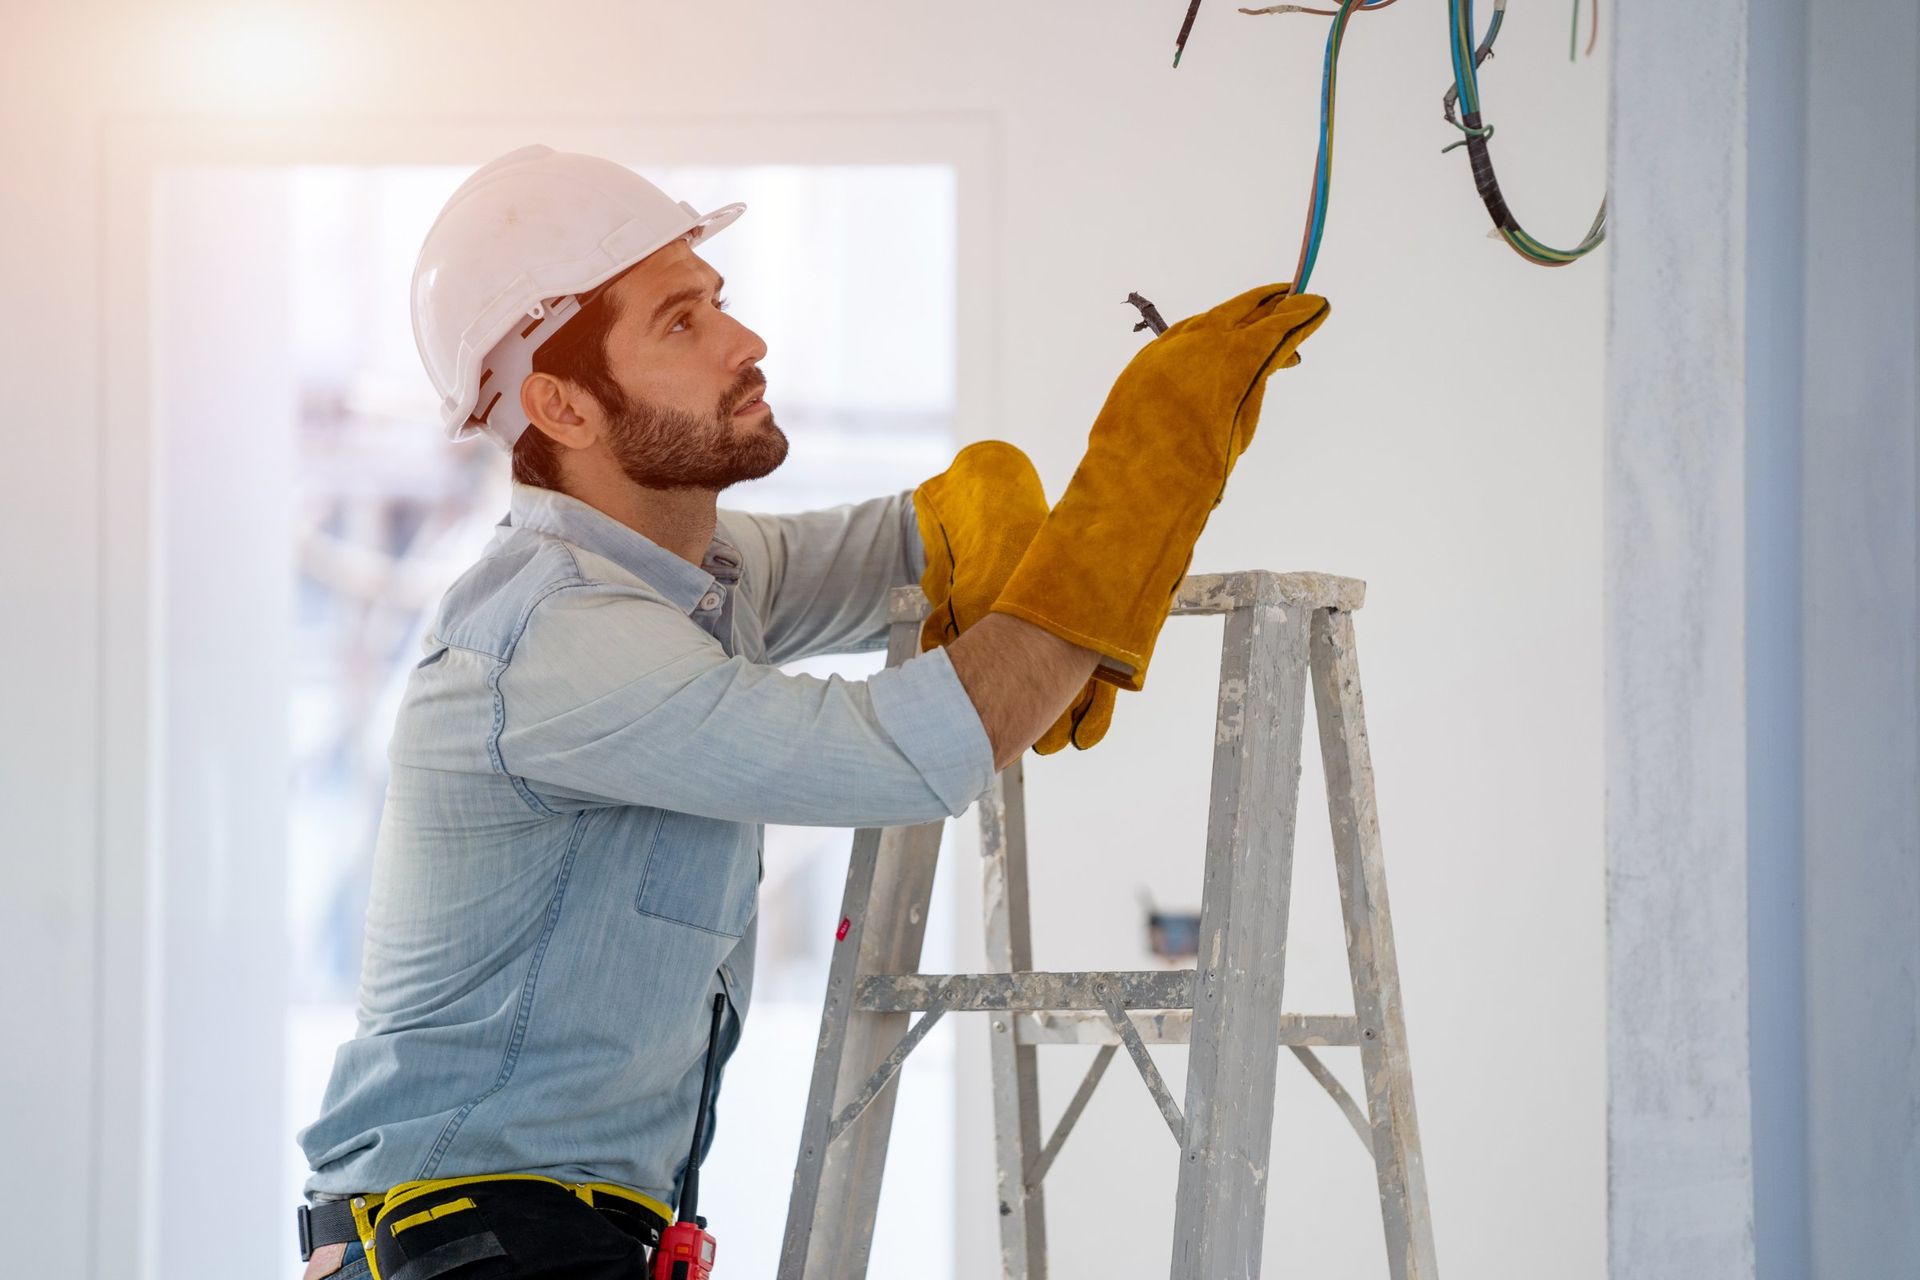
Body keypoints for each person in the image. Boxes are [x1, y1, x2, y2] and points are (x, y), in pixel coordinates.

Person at [294, 144, 1328, 1280]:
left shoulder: (689, 573)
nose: (746, 344)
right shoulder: (554, 639)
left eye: (719, 304)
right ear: (561, 403)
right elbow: (903, 750)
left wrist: (976, 511)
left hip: (544, 1231)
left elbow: (899, 542)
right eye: (680, 324)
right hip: (465, 1240)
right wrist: (1147, 474)